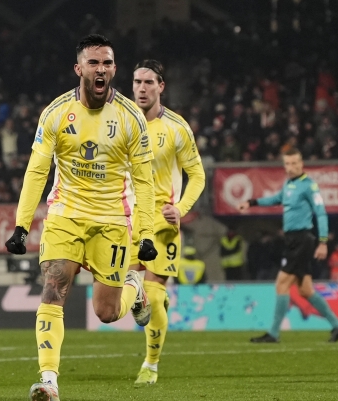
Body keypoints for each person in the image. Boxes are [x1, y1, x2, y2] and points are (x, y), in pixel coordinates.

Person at [4, 34, 158, 401]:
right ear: (79, 69)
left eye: (107, 63)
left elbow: (145, 182)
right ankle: (49, 381)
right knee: (53, 290)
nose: (101, 69)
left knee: (106, 312)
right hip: (65, 215)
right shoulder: (56, 113)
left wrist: (147, 234)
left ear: (114, 69)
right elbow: (36, 171)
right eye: (94, 62)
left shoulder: (130, 117)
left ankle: (134, 289)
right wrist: (22, 225)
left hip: (112, 221)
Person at [127, 59, 206, 385]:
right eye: (137, 82)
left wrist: (182, 207)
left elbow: (197, 175)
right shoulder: (119, 121)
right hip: (126, 220)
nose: (142, 88)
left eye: (149, 83)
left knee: (155, 296)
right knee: (120, 291)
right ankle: (142, 297)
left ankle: (151, 364)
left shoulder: (176, 127)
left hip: (161, 224)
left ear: (161, 87)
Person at [238, 148, 338, 343]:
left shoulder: (309, 186)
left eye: (294, 163)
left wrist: (323, 242)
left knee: (281, 283)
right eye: (287, 164)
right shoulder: (289, 184)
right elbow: (275, 199)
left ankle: (273, 333)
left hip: (302, 241)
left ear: (302, 163)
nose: (290, 167)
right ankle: (337, 325)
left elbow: (321, 212)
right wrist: (252, 202)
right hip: (292, 241)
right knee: (305, 290)